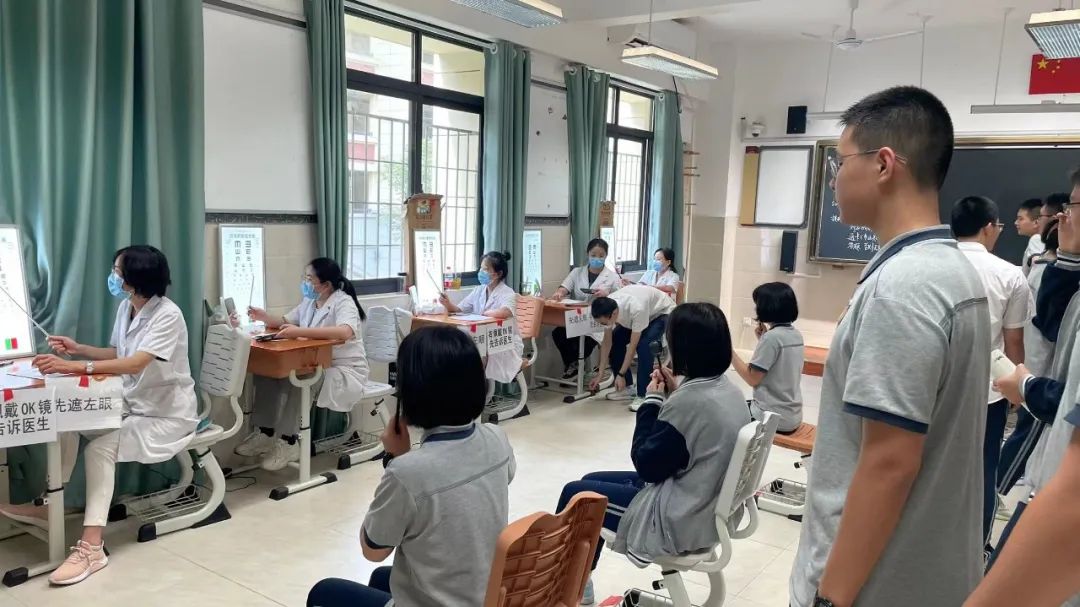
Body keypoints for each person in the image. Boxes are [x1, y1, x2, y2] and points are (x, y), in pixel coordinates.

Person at [789, 86, 990, 607]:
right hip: (924, 571)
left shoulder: (902, 288)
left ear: (882, 165)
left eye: (839, 163)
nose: (834, 180)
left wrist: (830, 597)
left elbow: (889, 463)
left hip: (875, 586)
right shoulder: (950, 271)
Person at [0, 245, 199, 585]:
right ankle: (51, 506)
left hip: (166, 416)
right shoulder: (127, 307)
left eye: (117, 272)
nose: (112, 277)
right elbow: (118, 352)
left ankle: (92, 548)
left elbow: (135, 363)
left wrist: (74, 366)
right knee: (67, 418)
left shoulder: (168, 315)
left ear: (135, 278)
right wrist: (78, 348)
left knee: (99, 449)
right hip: (133, 405)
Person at [555, 303, 750, 605]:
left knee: (576, 495)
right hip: (704, 500)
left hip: (681, 519)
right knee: (590, 479)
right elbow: (682, 444)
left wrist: (652, 401)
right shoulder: (727, 390)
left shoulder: (691, 402)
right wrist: (674, 394)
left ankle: (566, 588)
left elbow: (646, 464)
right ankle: (580, 582)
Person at [306, 326, 515, 607]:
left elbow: (373, 549)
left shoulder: (408, 473)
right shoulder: (497, 438)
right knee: (381, 578)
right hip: (485, 595)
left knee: (325, 592)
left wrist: (396, 458)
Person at [950, 195, 1034, 549]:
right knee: (984, 471)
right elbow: (1013, 341)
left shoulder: (932, 265)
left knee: (931, 466)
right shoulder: (1010, 274)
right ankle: (976, 550)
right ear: (988, 227)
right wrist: (1017, 389)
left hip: (934, 388)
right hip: (988, 391)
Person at [235, 258, 369, 471]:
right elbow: (285, 321)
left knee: (303, 377)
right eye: (305, 278)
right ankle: (265, 433)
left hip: (343, 370)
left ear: (326, 284)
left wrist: (299, 331)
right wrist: (264, 317)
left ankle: (289, 441)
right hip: (316, 363)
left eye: (309, 279)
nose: (305, 283)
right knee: (268, 371)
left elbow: (345, 332)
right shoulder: (310, 301)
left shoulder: (343, 302)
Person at [997, 219, 1059, 499]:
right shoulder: (1050, 272)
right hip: (1041, 366)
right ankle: (998, 486)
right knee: (1029, 428)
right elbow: (1048, 326)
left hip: (1036, 362)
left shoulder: (1041, 267)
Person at [731, 282, 805, 434]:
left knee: (726, 414)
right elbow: (779, 364)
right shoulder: (796, 335)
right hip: (792, 415)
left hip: (771, 417)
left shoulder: (771, 338)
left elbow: (752, 379)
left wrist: (729, 352)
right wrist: (763, 339)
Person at [589, 284, 676, 411]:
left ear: (614, 314)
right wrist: (600, 374)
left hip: (661, 312)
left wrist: (621, 374)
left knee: (644, 346)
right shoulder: (608, 306)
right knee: (616, 340)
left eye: (603, 323)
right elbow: (607, 343)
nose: (603, 325)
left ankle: (643, 394)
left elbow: (632, 347)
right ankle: (627, 388)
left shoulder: (636, 309)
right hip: (643, 312)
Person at [440, 250, 523, 384]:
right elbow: (459, 309)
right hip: (482, 340)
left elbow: (505, 312)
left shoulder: (508, 293)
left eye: (485, 269)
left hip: (504, 343)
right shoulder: (478, 290)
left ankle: (477, 392)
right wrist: (447, 304)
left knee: (472, 359)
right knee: (458, 354)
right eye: (480, 268)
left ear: (498, 274)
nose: (481, 272)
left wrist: (484, 313)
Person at [550, 238, 622, 379]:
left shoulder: (612, 277)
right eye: (593, 255)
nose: (597, 259)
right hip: (577, 316)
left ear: (606, 256)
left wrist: (607, 294)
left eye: (601, 255)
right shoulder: (577, 272)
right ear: (587, 254)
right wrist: (559, 293)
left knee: (586, 339)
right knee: (558, 333)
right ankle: (573, 364)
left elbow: (620, 298)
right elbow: (565, 287)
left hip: (599, 319)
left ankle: (575, 366)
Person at [1017, 197, 1044, 274]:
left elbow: (1038, 269)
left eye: (1020, 219)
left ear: (1036, 222)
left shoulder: (1036, 239)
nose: (1016, 222)